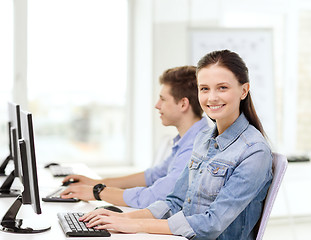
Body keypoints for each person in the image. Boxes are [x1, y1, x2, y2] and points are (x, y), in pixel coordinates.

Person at [78, 50, 273, 240]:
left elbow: (211, 224)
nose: (212, 97)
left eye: (222, 88)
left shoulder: (254, 151)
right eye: (204, 88)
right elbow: (175, 201)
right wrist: (122, 218)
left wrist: (134, 225)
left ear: (244, 90)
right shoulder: (203, 138)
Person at [60, 66, 209, 208]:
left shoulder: (197, 146)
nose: (157, 105)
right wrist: (97, 182)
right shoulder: (187, 139)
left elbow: (155, 196)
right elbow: (153, 175)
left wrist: (97, 192)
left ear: (183, 104)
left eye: (163, 99)